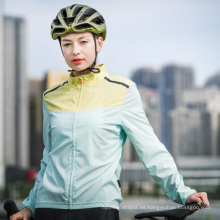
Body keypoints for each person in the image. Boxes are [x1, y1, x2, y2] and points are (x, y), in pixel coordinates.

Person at [10, 3, 209, 220]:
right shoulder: (51, 96)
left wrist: (183, 192)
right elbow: (49, 159)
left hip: (98, 209)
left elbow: (150, 149)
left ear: (99, 43)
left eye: (83, 41)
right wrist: (29, 206)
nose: (75, 50)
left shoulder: (122, 91)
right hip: (48, 209)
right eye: (67, 44)